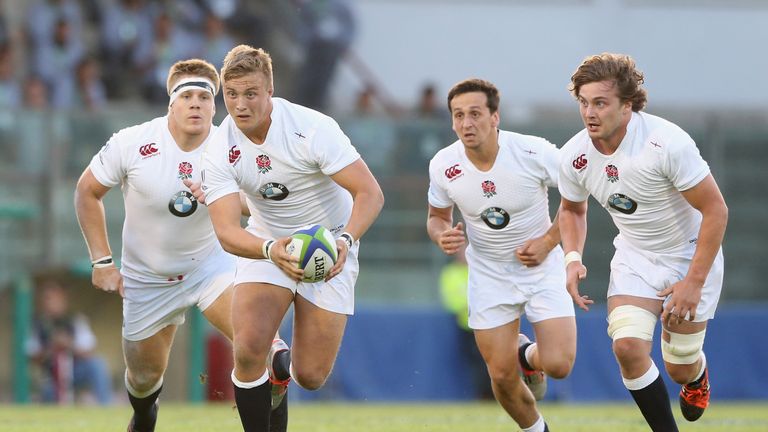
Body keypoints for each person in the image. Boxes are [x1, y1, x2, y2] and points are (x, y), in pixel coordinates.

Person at [74, 58, 289, 432]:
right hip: (148, 278)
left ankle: (271, 400)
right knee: (143, 382)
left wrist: (220, 197)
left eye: (204, 97)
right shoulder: (134, 141)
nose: (196, 104)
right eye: (186, 95)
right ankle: (144, 415)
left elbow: (257, 203)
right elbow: (86, 191)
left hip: (212, 267)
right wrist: (102, 261)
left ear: (214, 104)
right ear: (170, 103)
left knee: (266, 351)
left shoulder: (232, 146)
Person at [199, 44, 384, 432]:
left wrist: (345, 242)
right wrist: (269, 248)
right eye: (231, 95)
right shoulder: (219, 146)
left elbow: (369, 193)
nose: (240, 104)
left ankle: (280, 378)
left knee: (311, 375)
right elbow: (227, 231)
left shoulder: (312, 128)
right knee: (249, 347)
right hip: (267, 242)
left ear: (270, 90)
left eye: (250, 93)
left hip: (330, 246)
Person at [558, 53, 727, 431]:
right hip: (635, 255)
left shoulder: (665, 143)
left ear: (627, 104)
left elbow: (716, 210)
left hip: (690, 252)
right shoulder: (574, 155)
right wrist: (572, 258)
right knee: (627, 347)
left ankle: (696, 375)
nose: (590, 113)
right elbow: (571, 210)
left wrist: (692, 283)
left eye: (600, 102)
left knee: (679, 367)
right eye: (583, 102)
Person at [426, 78, 576, 432]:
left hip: (541, 269)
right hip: (489, 275)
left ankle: (529, 355)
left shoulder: (532, 152)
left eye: (475, 113)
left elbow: (578, 195)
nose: (466, 123)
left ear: (495, 117)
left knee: (558, 365)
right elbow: (436, 217)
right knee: (501, 376)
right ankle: (536, 429)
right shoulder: (443, 164)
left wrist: (549, 240)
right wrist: (441, 236)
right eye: (458, 115)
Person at [26, 279, 113, 405]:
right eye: (48, 299)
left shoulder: (74, 320)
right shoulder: (37, 324)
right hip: (51, 377)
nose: (51, 303)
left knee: (97, 364)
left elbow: (89, 349)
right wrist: (52, 348)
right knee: (47, 392)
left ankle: (106, 405)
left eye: (56, 299)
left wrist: (68, 345)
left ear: (63, 300)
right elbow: (32, 355)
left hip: (74, 371)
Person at [438, 243, 493, 400]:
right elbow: (451, 299)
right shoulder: (450, 273)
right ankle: (484, 394)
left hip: (486, 323)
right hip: (466, 326)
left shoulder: (481, 271)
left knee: (493, 359)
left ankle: (499, 392)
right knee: (477, 362)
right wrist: (470, 306)